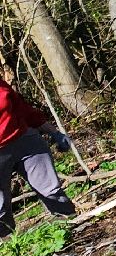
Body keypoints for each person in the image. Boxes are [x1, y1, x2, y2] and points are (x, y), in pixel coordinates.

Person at [0, 77, 77, 238]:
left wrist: (54, 132)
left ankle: (70, 228)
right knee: (0, 208)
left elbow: (23, 110)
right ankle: (10, 249)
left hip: (25, 140)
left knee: (51, 189)